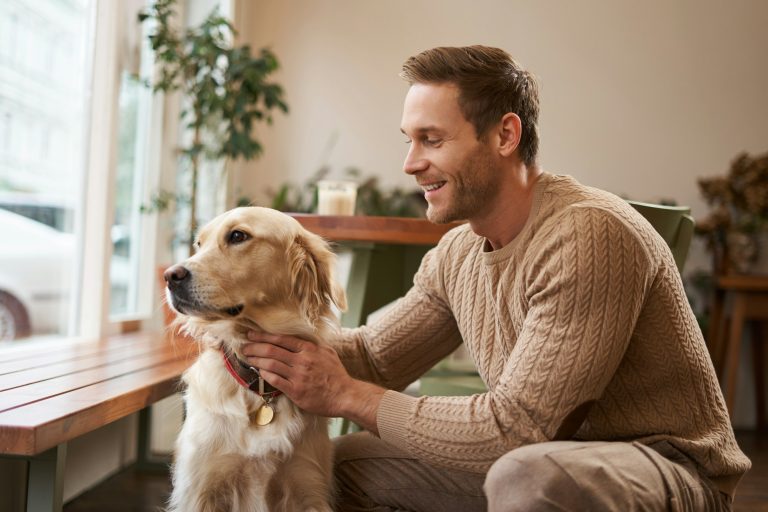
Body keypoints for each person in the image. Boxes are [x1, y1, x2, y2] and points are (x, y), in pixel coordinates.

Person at [243, 45, 751, 511]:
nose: (410, 163)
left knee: (529, 476)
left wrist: (346, 395)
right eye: (409, 140)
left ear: (506, 135)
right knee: (342, 466)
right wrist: (255, 337)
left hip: (666, 468)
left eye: (432, 140)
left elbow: (520, 427)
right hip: (546, 457)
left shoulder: (589, 233)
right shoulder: (459, 252)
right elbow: (376, 357)